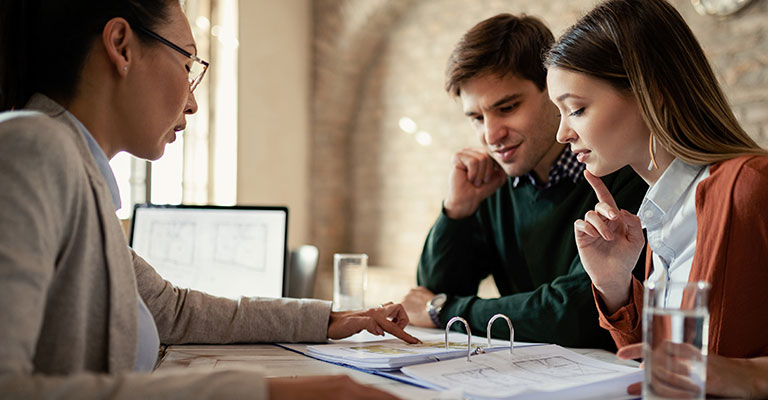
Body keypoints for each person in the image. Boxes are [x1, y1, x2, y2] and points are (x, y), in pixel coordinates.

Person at [0, 1, 418, 399]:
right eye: (187, 65)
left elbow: (172, 310)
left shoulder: (77, 174)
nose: (195, 102)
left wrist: (331, 318)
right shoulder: (32, 148)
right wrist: (266, 393)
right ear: (121, 45)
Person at [544, 0, 768, 397]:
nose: (562, 134)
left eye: (575, 109)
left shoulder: (751, 186)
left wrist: (750, 376)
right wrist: (614, 284)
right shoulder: (661, 212)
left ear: (653, 93)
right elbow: (662, 367)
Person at [402, 13, 648, 349]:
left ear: (553, 90)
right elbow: (431, 293)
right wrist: (456, 212)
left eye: (507, 107)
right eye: (476, 117)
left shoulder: (624, 169)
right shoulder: (493, 185)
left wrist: (446, 311)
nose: (491, 135)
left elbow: (575, 314)